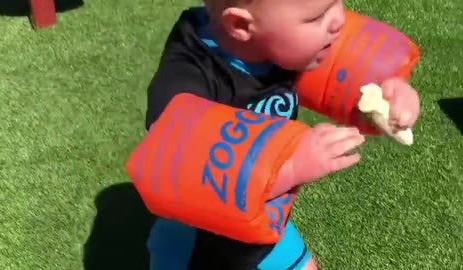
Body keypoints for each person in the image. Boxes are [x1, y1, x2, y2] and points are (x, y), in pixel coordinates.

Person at [143, 0, 421, 269]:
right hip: (202, 236)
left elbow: (347, 79)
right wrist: (289, 167)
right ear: (241, 25)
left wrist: (390, 93)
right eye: (316, 17)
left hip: (264, 222)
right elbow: (182, 166)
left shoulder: (277, 41)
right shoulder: (191, 74)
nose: (339, 20)